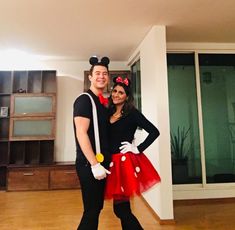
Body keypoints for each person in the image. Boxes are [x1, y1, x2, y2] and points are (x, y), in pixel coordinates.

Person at [105, 76, 161, 230]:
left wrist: (137, 148)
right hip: (111, 163)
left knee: (121, 209)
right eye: (114, 91)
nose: (116, 94)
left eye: (121, 93)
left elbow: (154, 132)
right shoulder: (108, 111)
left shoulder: (132, 113)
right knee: (122, 209)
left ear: (127, 97)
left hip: (124, 164)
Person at [73, 56, 111, 230]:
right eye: (97, 73)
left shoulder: (102, 102)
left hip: (100, 163)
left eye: (104, 73)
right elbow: (81, 132)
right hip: (89, 164)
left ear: (108, 77)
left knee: (96, 209)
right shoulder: (84, 100)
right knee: (91, 210)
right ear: (90, 77)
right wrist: (95, 164)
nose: (101, 76)